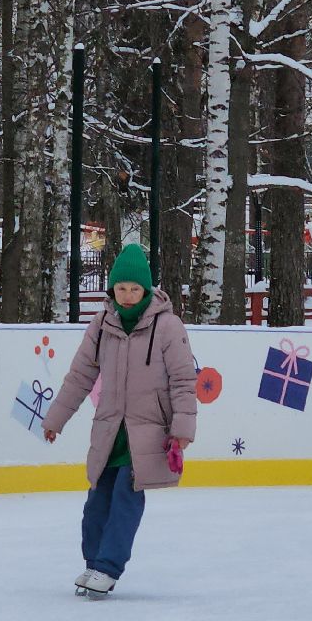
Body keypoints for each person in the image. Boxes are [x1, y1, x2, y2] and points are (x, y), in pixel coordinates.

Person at [42, 243, 197, 598]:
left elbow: (183, 380)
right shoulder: (102, 325)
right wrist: (56, 419)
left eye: (135, 289)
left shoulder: (168, 327)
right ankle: (93, 563)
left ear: (147, 290)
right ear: (112, 289)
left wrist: (182, 429)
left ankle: (108, 568)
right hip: (110, 430)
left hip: (147, 433)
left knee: (126, 501)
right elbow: (79, 376)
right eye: (121, 288)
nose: (127, 296)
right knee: (96, 502)